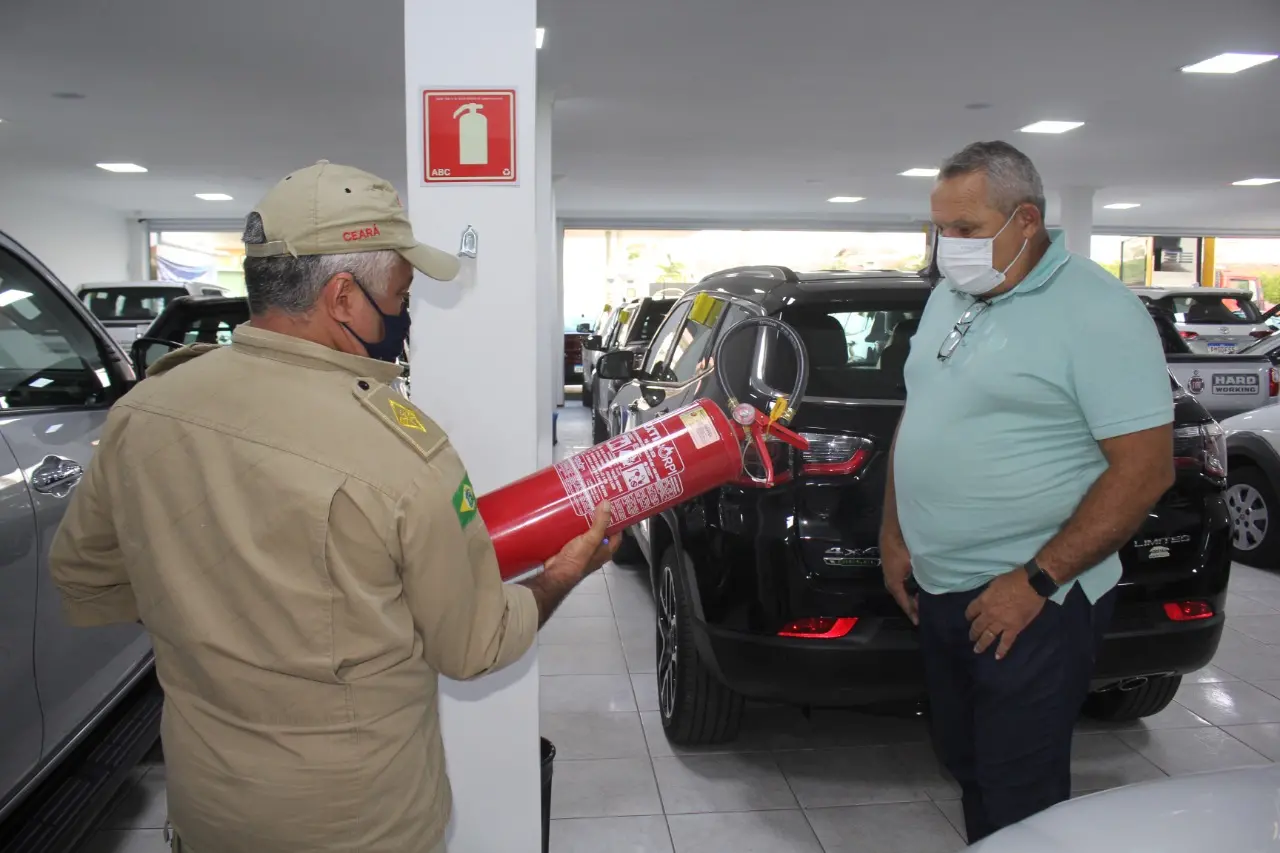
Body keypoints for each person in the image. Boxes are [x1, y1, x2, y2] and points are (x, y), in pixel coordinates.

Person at [48, 160, 618, 853]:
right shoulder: (403, 455)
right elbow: (475, 645)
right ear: (345, 297)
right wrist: (564, 573)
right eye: (402, 294)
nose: (404, 314)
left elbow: (86, 578)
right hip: (359, 825)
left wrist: (205, 606)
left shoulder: (143, 411)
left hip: (209, 813)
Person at [880, 141, 1175, 843]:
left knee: (1021, 794)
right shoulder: (950, 299)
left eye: (966, 230)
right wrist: (895, 535)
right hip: (943, 588)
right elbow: (918, 413)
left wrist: (1037, 579)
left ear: (1026, 222)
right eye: (939, 229)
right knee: (967, 762)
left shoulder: (1097, 310)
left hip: (1035, 598)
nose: (947, 247)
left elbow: (1145, 468)